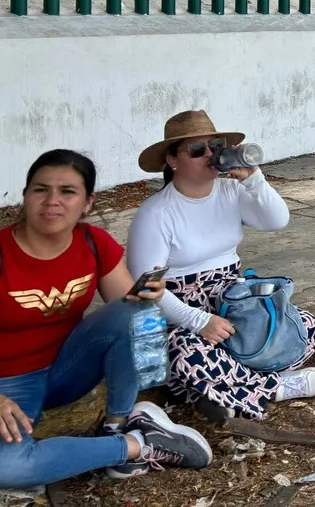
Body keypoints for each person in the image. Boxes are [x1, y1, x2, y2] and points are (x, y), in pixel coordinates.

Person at [0, 150, 213, 488]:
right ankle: (139, 444)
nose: (52, 200)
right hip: (7, 385)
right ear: (25, 196)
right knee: (7, 468)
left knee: (134, 312)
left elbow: (126, 312)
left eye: (68, 191)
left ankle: (118, 422)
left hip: (67, 367)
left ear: (87, 202)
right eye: (41, 189)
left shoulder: (92, 242)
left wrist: (148, 298)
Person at [128, 111, 315, 424]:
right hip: (182, 309)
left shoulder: (231, 191)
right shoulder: (156, 213)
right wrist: (197, 320)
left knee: (306, 324)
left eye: (216, 146)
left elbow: (277, 220)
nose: (210, 155)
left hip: (232, 296)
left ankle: (233, 385)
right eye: (197, 150)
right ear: (172, 161)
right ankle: (274, 385)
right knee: (185, 352)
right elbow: (145, 287)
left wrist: (254, 178)